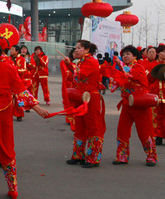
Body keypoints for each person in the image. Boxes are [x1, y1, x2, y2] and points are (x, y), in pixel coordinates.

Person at [0, 38, 48, 199]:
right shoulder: (10, 67)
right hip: (5, 110)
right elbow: (21, 91)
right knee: (7, 148)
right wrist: (38, 109)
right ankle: (12, 188)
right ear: (2, 51)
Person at [111, 45, 157, 166]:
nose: (125, 56)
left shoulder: (138, 67)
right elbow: (116, 82)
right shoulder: (124, 68)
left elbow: (128, 75)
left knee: (144, 132)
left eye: (128, 54)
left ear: (135, 56)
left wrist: (119, 64)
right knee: (122, 130)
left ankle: (151, 156)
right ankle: (122, 156)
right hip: (127, 104)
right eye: (124, 54)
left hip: (140, 104)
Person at [63, 40, 105, 168]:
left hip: (91, 97)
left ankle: (93, 158)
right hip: (81, 96)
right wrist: (70, 65)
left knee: (93, 127)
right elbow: (76, 76)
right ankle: (78, 155)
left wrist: (71, 64)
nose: (76, 50)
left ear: (87, 50)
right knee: (80, 126)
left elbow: (81, 74)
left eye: (79, 48)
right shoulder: (82, 62)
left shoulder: (91, 61)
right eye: (76, 48)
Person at [149, 45, 165, 145]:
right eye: (163, 51)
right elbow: (149, 79)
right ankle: (158, 136)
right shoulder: (153, 64)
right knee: (156, 116)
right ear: (158, 53)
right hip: (156, 94)